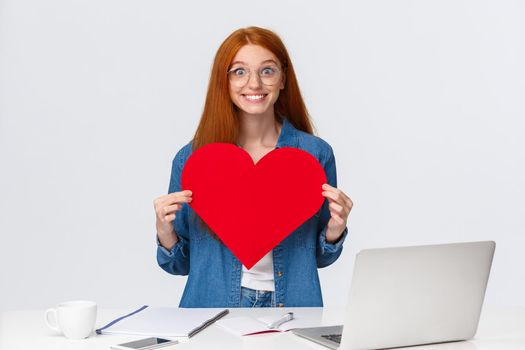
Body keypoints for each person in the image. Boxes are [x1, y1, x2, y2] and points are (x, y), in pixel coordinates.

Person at [153, 26, 353, 308]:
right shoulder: (193, 159)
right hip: (212, 308)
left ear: (283, 78)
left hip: (292, 308)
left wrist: (335, 229)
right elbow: (179, 265)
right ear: (224, 82)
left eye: (267, 71)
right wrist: (165, 232)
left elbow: (322, 259)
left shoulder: (314, 155)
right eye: (239, 71)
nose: (254, 84)